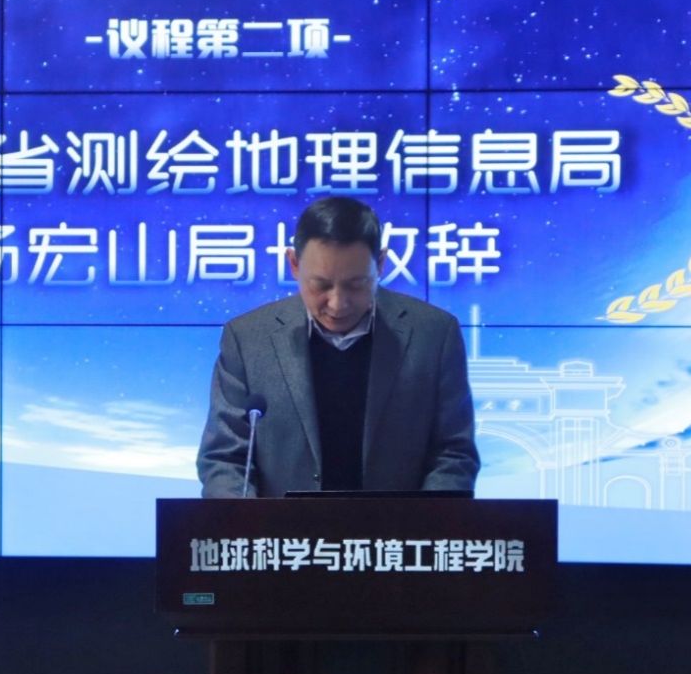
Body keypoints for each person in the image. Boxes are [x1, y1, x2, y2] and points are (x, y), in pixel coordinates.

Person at [196, 196, 480, 497]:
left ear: (380, 264)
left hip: (401, 527)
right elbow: (225, 459)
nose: (337, 303)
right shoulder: (248, 338)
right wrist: (248, 522)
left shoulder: (434, 335)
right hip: (278, 528)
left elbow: (454, 454)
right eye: (320, 285)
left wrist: (424, 523)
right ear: (294, 264)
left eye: (356, 284)